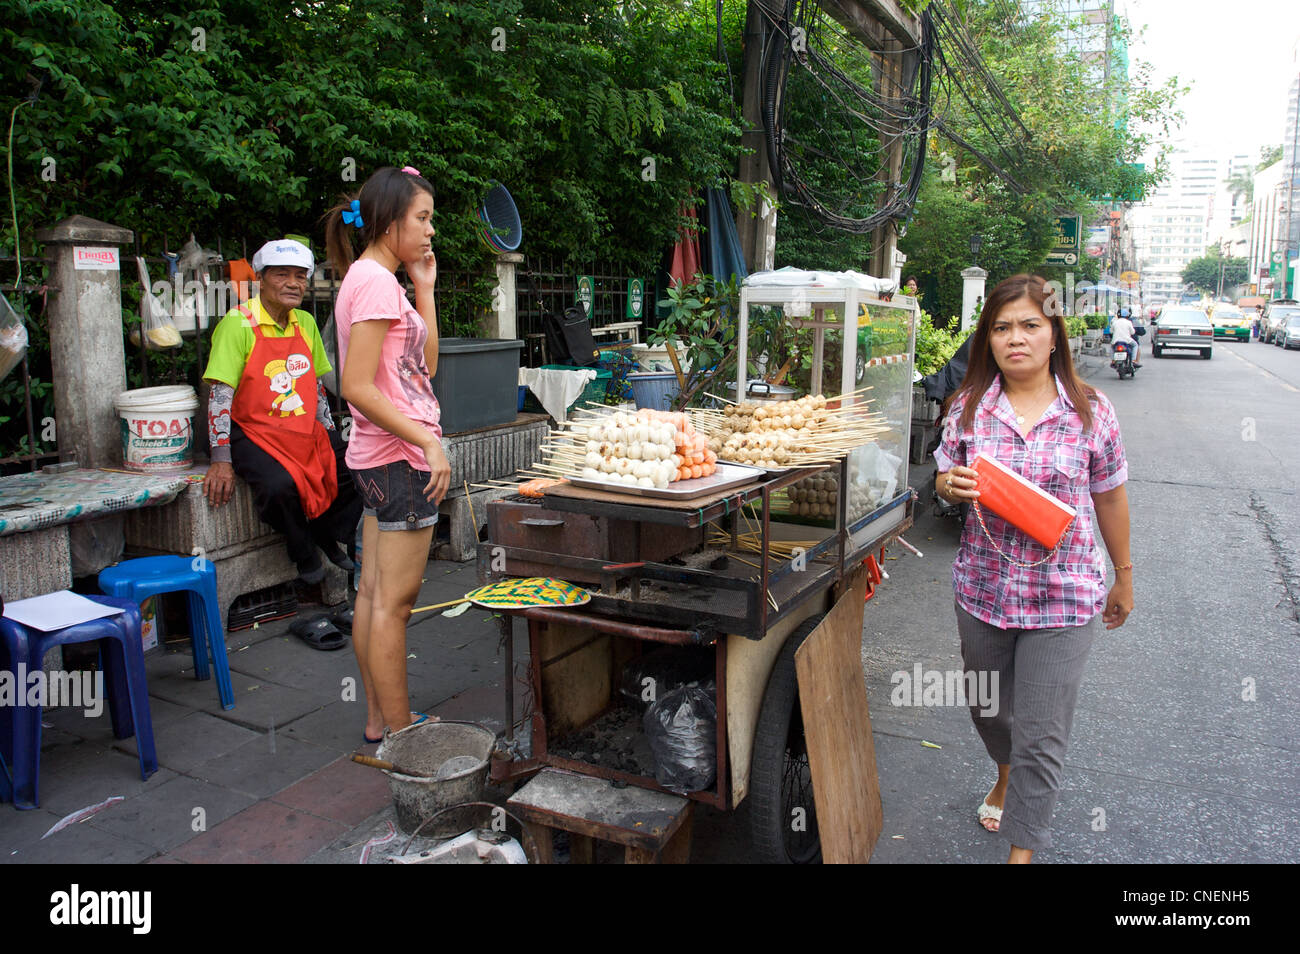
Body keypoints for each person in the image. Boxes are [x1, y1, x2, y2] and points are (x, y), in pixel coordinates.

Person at [933, 274, 1133, 864]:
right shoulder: (966, 410)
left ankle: (1023, 852)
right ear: (987, 340)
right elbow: (944, 479)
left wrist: (1124, 573)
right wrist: (950, 484)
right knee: (989, 710)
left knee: (1042, 735)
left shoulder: (1092, 412)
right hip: (983, 592)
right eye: (1001, 328)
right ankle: (1003, 770)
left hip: (1064, 596)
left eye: (1029, 325)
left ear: (1053, 335)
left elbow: (1112, 496)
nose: (1014, 338)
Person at [325, 166, 451, 742]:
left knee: (374, 595)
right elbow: (355, 385)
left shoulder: (374, 278)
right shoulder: (374, 284)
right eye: (421, 219)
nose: (430, 232)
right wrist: (426, 439)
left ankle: (380, 721)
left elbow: (423, 368)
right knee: (394, 606)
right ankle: (404, 733)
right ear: (389, 219)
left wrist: (424, 287)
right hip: (398, 461)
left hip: (379, 459)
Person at [202, 239, 361, 586]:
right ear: (261, 278)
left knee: (356, 467)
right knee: (278, 485)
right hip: (252, 430)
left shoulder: (304, 321)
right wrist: (221, 458)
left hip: (300, 425)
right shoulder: (237, 323)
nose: (294, 283)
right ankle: (303, 549)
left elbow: (316, 388)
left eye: (300, 276)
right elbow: (219, 395)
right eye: (282, 275)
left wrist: (328, 434)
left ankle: (325, 533)